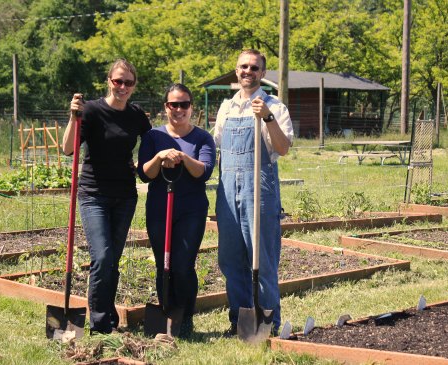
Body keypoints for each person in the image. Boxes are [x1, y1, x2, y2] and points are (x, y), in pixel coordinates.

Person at [62, 58, 152, 334]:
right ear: (109, 81)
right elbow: (67, 149)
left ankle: (108, 314)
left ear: (134, 86)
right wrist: (72, 117)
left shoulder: (136, 115)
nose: (122, 86)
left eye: (128, 82)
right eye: (117, 81)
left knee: (112, 260)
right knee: (101, 257)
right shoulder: (90, 111)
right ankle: (100, 324)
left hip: (125, 195)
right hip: (94, 194)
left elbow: (152, 143)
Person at [214, 49, 294, 336]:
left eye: (254, 68)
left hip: (258, 189)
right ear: (236, 71)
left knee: (263, 257)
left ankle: (268, 323)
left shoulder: (275, 105)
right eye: (243, 66)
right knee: (231, 258)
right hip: (227, 191)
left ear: (262, 73)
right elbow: (218, 147)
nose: (248, 71)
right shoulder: (226, 108)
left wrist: (268, 118)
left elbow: (283, 149)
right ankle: (240, 321)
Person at [138, 83, 216, 338]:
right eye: (174, 104)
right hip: (160, 208)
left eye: (184, 104)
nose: (179, 109)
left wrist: (183, 157)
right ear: (166, 107)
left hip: (191, 209)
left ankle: (186, 316)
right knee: (164, 264)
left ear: (191, 107)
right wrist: (160, 156)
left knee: (183, 265)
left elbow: (203, 172)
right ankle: (166, 313)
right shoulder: (153, 137)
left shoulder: (203, 138)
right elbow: (145, 174)